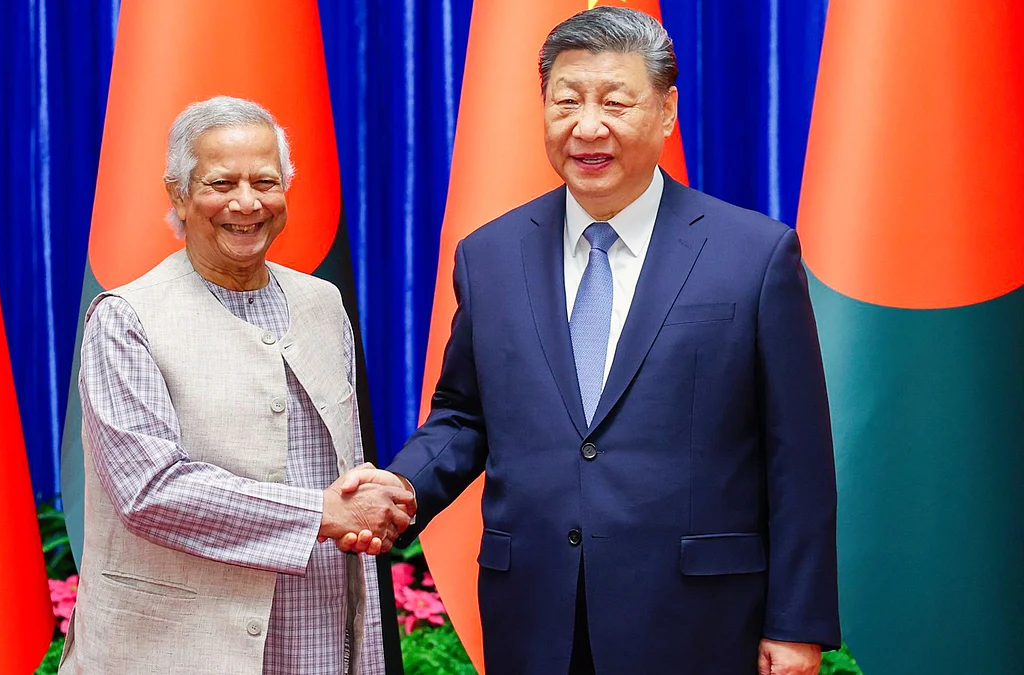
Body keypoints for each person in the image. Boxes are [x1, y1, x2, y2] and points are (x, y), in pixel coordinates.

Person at [341, 7, 840, 674]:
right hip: (537, 618)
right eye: (567, 101)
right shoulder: (490, 257)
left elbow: (797, 455)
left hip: (699, 619)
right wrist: (400, 487)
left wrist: (795, 624)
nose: (588, 126)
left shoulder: (752, 255)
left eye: (615, 101)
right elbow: (464, 416)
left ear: (666, 111)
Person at [59, 95, 413, 675]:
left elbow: (344, 466)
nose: (247, 203)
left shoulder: (323, 304)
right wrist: (321, 514)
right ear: (178, 193)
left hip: (316, 634)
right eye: (222, 184)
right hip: (179, 648)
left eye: (265, 182)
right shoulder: (125, 318)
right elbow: (150, 490)